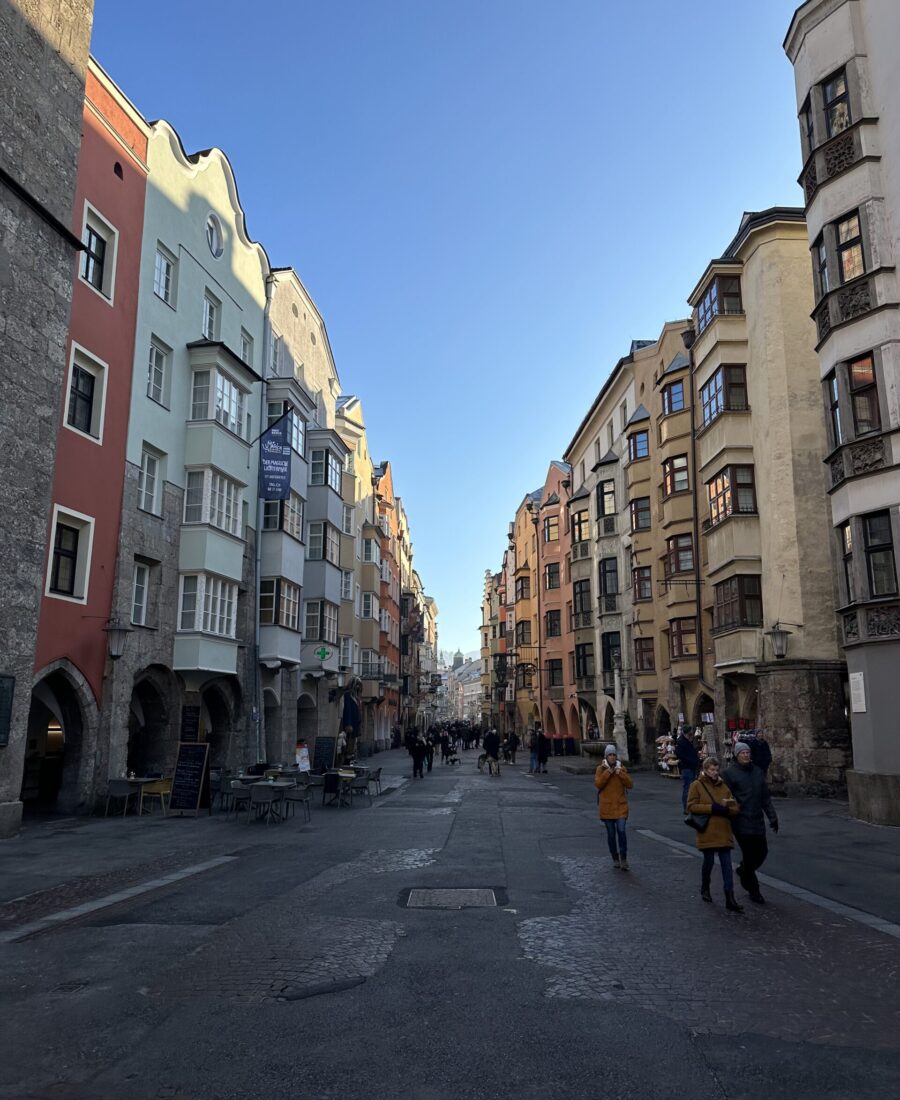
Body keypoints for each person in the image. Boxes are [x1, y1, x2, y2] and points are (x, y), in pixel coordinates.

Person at [724, 741, 779, 904]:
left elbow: (765, 798)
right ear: (737, 755)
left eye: (748, 753)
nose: (746, 755)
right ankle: (754, 890)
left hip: (757, 820)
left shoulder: (757, 772)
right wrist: (730, 811)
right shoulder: (729, 773)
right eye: (742, 753)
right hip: (740, 822)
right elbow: (725, 797)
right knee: (749, 855)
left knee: (762, 852)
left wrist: (773, 817)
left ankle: (743, 871)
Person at [686, 757, 742, 911]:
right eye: (711, 770)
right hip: (707, 830)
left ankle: (730, 898)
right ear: (705, 770)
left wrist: (727, 809)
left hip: (723, 829)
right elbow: (691, 806)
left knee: (726, 865)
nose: (715, 773)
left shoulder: (723, 786)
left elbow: (736, 806)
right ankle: (705, 887)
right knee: (709, 862)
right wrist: (712, 808)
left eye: (716, 770)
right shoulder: (696, 785)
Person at [595, 745, 634, 869]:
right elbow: (598, 784)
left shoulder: (621, 768)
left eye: (614, 755)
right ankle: (615, 857)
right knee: (611, 835)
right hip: (606, 808)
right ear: (606, 756)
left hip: (620, 806)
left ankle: (624, 858)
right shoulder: (600, 769)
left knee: (621, 831)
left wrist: (620, 773)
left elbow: (630, 785)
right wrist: (608, 772)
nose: (612, 757)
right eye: (610, 755)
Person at [675, 725, 702, 814]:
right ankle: (686, 807)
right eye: (691, 731)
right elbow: (680, 755)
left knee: (692, 787)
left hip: (691, 767)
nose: (692, 733)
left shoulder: (687, 740)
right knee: (687, 787)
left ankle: (691, 806)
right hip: (687, 768)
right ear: (688, 732)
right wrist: (691, 761)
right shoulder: (681, 741)